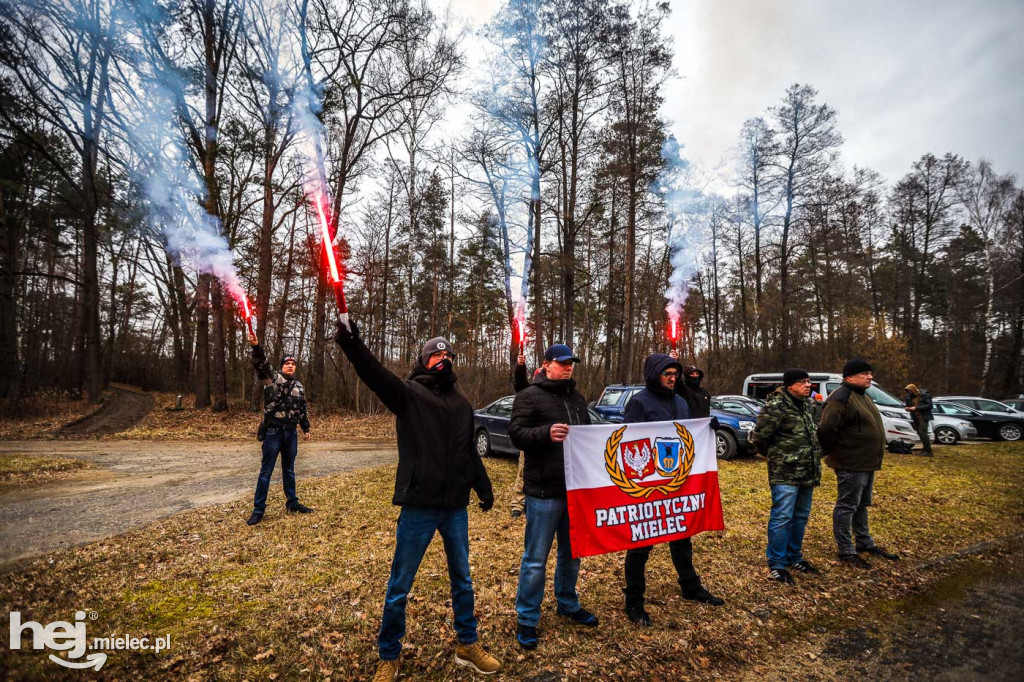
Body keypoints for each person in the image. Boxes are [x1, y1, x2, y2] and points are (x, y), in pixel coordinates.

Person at [334, 321, 500, 680]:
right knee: (399, 587)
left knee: (463, 580)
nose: (444, 358)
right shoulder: (408, 395)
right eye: (436, 354)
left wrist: (483, 489)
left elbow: (469, 452)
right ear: (424, 361)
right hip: (419, 506)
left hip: (455, 506)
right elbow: (375, 375)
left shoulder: (462, 405)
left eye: (448, 354)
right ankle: (388, 655)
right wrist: (353, 345)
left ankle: (467, 644)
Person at [622, 353, 723, 627]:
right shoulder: (639, 402)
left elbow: (688, 434)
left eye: (674, 374)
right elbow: (628, 442)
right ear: (654, 374)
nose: (672, 378)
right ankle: (633, 600)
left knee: (682, 536)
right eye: (667, 373)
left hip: (677, 480)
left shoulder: (680, 400)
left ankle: (690, 586)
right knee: (641, 544)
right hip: (647, 486)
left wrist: (707, 427)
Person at [510, 343, 596, 651]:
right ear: (546, 365)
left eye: (572, 362)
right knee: (535, 559)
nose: (569, 366)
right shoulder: (528, 396)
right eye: (562, 363)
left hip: (575, 490)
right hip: (544, 491)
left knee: (572, 554)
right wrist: (545, 433)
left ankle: (567, 603)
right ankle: (528, 618)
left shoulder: (578, 398)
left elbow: (588, 438)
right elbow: (517, 434)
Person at [818, 359, 900, 568]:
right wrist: (835, 453)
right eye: (865, 374)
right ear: (849, 377)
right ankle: (846, 551)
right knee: (847, 506)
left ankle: (864, 542)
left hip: (866, 463)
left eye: (870, 373)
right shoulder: (840, 398)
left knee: (862, 505)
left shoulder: (863, 396)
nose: (870, 377)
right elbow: (827, 430)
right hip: (850, 463)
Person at [750, 369, 823, 584]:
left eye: (809, 381)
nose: (808, 385)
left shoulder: (807, 405)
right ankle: (777, 563)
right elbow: (760, 438)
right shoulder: (777, 406)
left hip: (807, 471)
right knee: (782, 517)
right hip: (785, 472)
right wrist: (778, 457)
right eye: (802, 382)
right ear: (790, 385)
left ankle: (794, 557)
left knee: (800, 517)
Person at [246, 333, 312, 526]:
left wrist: (305, 428)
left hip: (291, 434)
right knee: (266, 472)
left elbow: (303, 408)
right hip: (274, 432)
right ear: (282, 366)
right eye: (287, 363)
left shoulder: (299, 386)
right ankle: (258, 510)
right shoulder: (273, 379)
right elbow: (261, 364)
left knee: (289, 470)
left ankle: (292, 503)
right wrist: (256, 347)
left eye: (293, 363)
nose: (290, 365)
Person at [509, 351, 531, 519]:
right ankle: (517, 504)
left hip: (549, 441)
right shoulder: (530, 393)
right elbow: (521, 384)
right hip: (530, 440)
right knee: (523, 472)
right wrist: (520, 367)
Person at [904, 383, 934, 456]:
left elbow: (929, 406)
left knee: (923, 432)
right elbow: (908, 405)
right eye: (908, 391)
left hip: (924, 416)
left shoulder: (924, 395)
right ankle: (925, 449)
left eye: (910, 391)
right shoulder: (908, 397)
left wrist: (916, 408)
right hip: (915, 416)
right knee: (920, 432)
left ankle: (928, 450)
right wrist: (907, 408)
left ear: (914, 390)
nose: (909, 392)